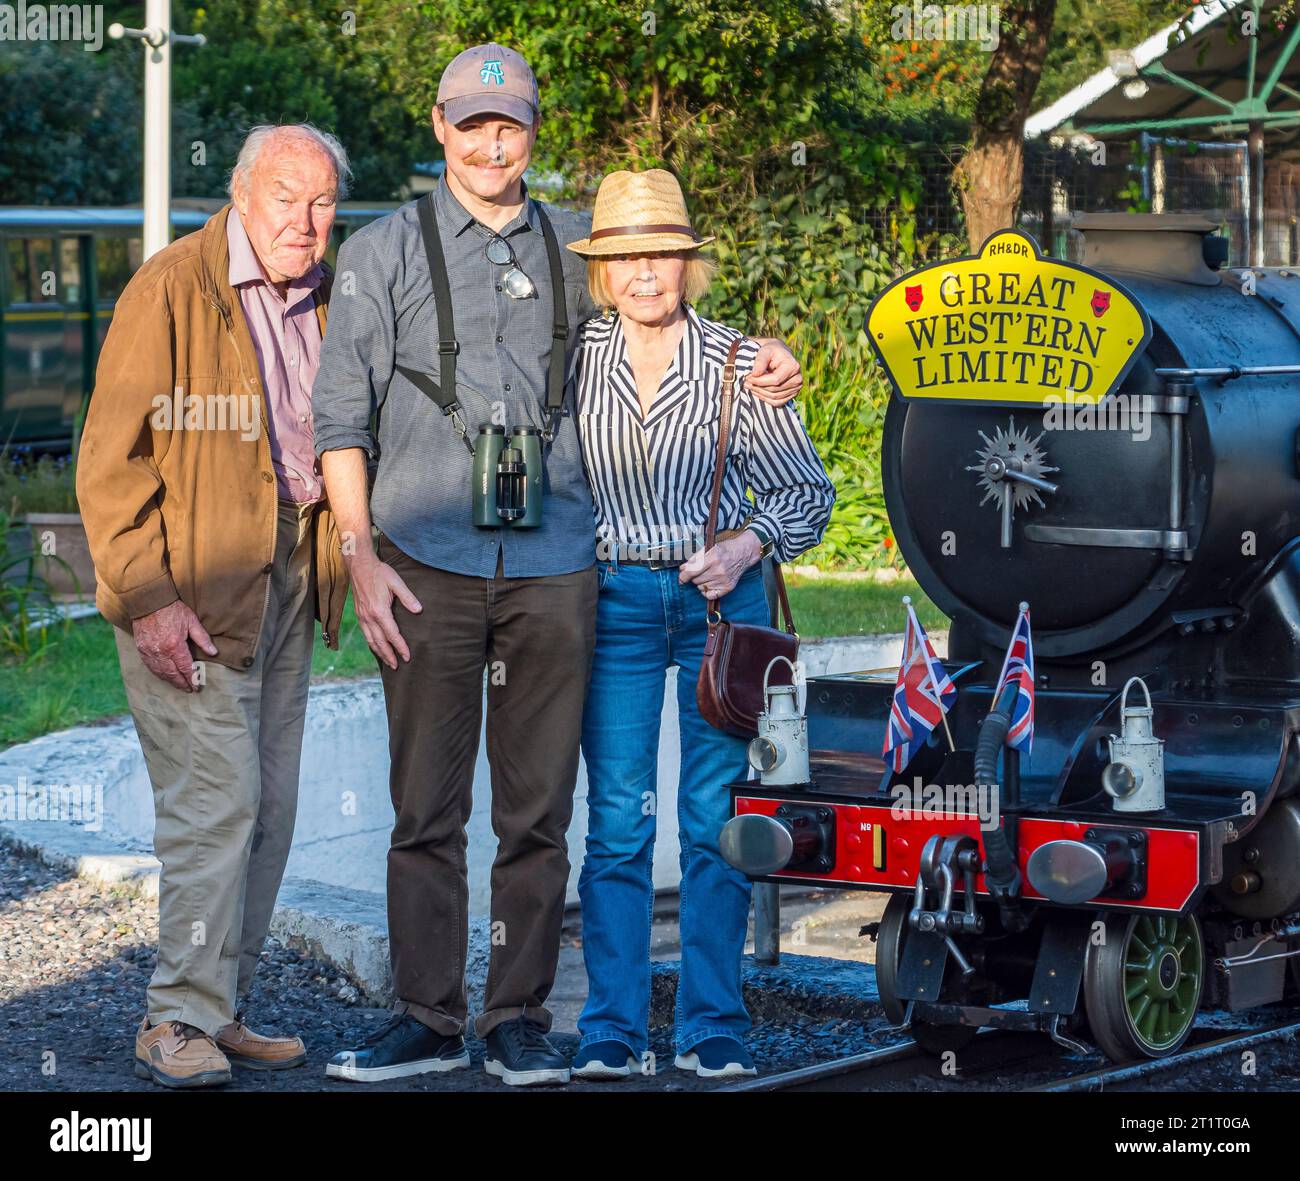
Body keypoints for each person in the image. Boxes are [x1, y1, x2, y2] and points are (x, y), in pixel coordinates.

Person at [312, 43, 803, 1087]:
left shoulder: (584, 242)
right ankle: (427, 1014)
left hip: (558, 567)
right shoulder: (381, 252)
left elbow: (671, 313)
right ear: (439, 127)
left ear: (534, 133)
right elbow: (338, 420)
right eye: (473, 122)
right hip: (423, 562)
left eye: (513, 124)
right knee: (424, 808)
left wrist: (769, 356)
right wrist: (358, 554)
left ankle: (520, 1012)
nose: (493, 143)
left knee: (541, 810)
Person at [75, 124, 351, 1088]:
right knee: (216, 802)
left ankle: (219, 1005)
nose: (305, 222)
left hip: (286, 570)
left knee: (270, 805)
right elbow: (110, 463)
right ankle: (174, 1019)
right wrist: (146, 598)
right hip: (189, 583)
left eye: (321, 203)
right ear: (240, 194)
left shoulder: (325, 290)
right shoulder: (173, 286)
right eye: (286, 198)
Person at [564, 169, 834, 1081]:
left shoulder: (739, 363)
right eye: (626, 257)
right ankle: (612, 1023)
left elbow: (807, 493)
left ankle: (712, 1018)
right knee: (616, 820)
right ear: (603, 269)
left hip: (723, 610)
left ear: (689, 263)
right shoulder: (572, 358)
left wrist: (746, 544)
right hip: (614, 604)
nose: (646, 273)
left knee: (716, 817)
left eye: (662, 255)